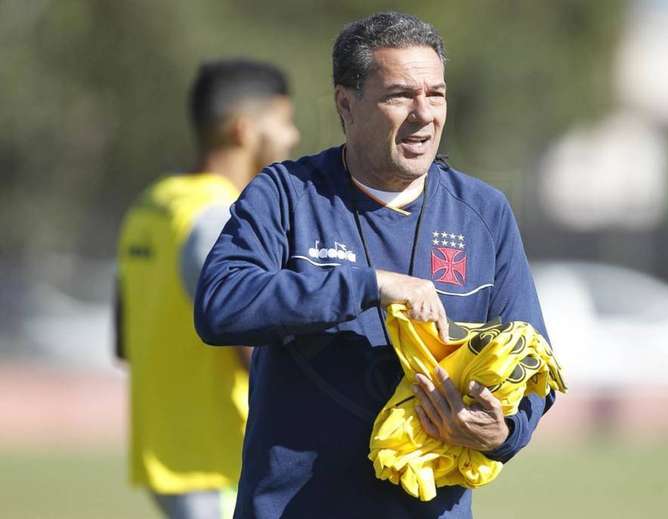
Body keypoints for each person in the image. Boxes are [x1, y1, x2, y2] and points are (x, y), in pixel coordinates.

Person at [195, 12, 556, 519]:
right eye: (399, 95)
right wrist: (370, 286)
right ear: (346, 103)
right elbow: (220, 306)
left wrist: (503, 433)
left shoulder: (484, 213)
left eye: (436, 94)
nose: (423, 113)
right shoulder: (285, 195)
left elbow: (533, 358)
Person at [115, 58, 299, 519]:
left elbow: (123, 343)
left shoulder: (151, 206)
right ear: (243, 130)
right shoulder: (222, 219)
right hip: (226, 468)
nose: (292, 138)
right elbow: (257, 355)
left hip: (170, 461)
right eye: (284, 122)